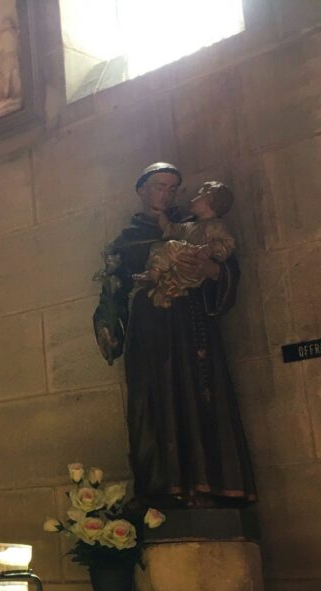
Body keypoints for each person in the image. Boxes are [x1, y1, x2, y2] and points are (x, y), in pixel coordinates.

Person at [92, 163, 256, 508]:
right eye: (158, 186)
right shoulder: (126, 240)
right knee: (149, 403)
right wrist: (108, 324)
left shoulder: (196, 228)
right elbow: (113, 292)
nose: (165, 194)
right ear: (141, 190)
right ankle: (157, 490)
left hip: (190, 327)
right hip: (148, 331)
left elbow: (227, 270)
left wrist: (210, 269)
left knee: (196, 396)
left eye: (172, 188)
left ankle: (205, 486)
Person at [133, 181, 236, 309]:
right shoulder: (189, 225)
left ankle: (154, 273)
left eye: (198, 196)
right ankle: (161, 284)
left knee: (171, 246)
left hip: (194, 261)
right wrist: (160, 213)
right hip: (180, 263)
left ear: (210, 201)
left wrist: (209, 250)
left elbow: (227, 244)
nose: (192, 199)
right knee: (158, 247)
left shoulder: (216, 225)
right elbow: (170, 228)